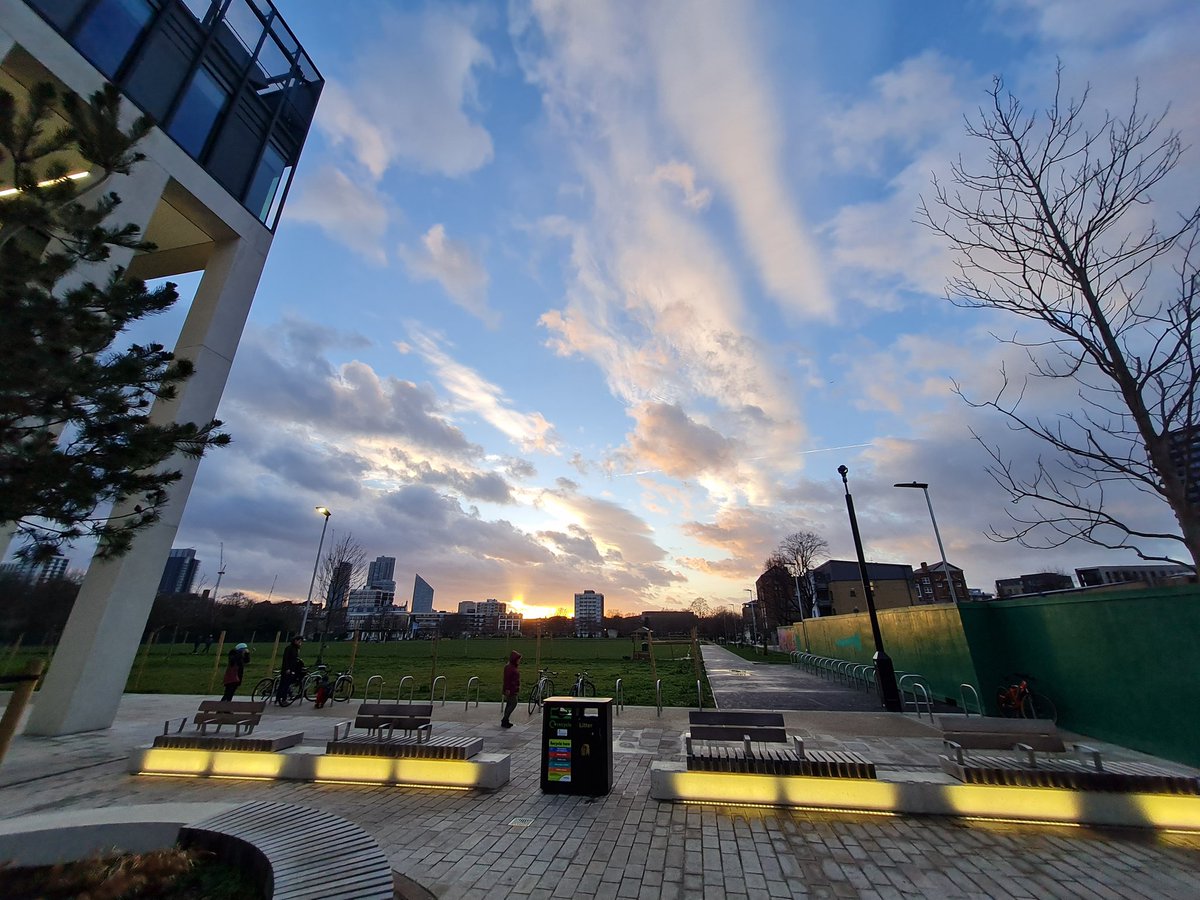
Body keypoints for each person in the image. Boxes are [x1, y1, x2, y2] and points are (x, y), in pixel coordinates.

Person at [278, 635, 304, 704]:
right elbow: (286, 659)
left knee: (286, 683)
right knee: (285, 684)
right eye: (299, 641)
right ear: (295, 641)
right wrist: (287, 668)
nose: (300, 643)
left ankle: (280, 697)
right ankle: (283, 698)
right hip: (287, 669)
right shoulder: (289, 648)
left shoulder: (296, 649)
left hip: (292, 668)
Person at [501, 650, 521, 728]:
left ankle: (506, 720)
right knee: (513, 703)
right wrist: (508, 689)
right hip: (511, 689)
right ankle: (505, 719)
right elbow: (507, 679)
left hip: (512, 688)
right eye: (518, 659)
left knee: (509, 704)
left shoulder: (510, 667)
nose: (519, 661)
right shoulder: (510, 668)